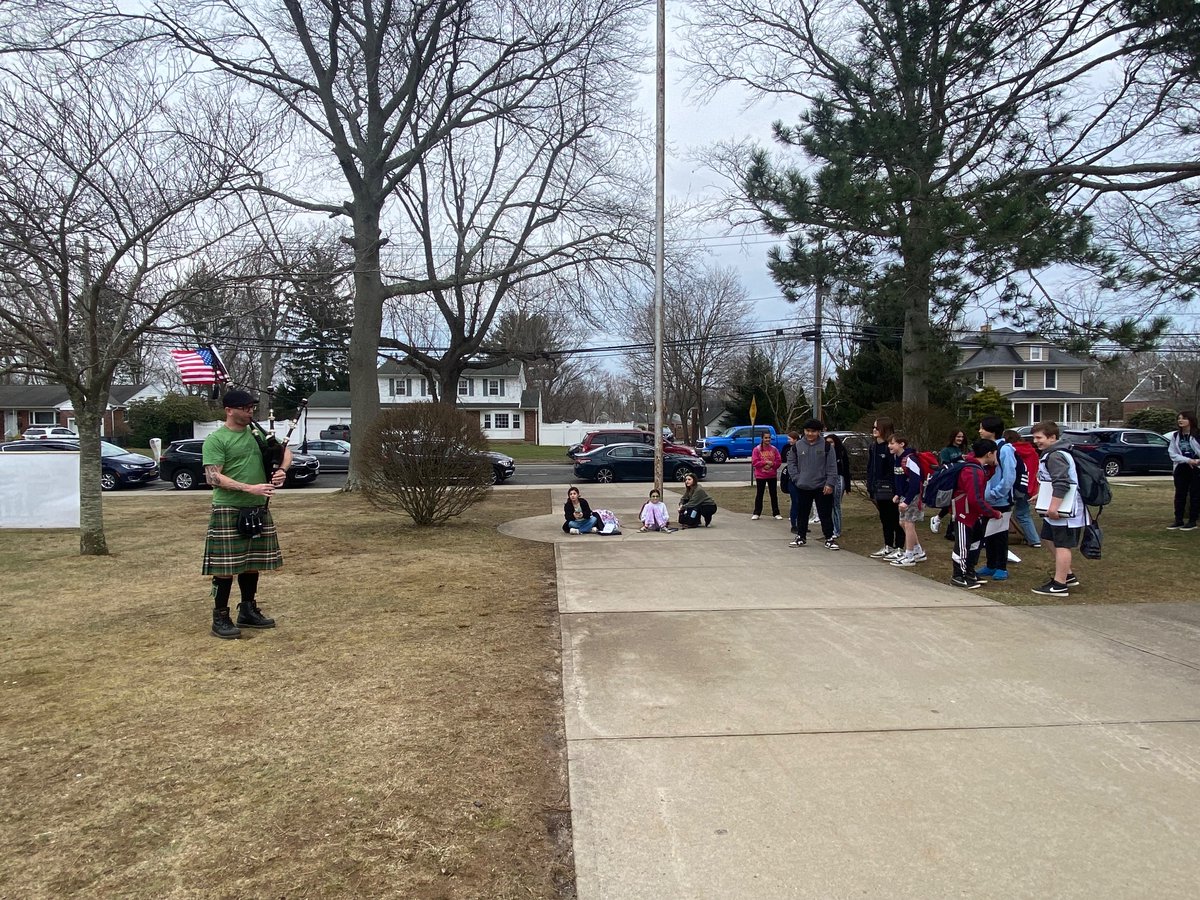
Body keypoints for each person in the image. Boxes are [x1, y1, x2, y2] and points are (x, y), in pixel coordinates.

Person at [201, 389, 292, 640]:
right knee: (225, 567)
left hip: (257, 508)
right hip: (228, 507)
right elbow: (213, 477)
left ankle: (248, 610)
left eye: (252, 407)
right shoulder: (217, 439)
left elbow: (285, 452)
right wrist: (248, 487)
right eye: (245, 408)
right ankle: (220, 616)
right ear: (229, 410)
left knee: (252, 564)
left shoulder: (257, 435)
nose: (250, 411)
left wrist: (282, 470)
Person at [1030, 421, 1086, 596]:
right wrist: (1041, 496)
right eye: (1034, 437)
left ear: (1052, 437)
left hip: (1065, 510)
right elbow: (1051, 481)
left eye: (1039, 437)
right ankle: (1067, 574)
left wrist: (1054, 507)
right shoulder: (1051, 454)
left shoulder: (1056, 456)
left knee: (1062, 544)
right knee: (1048, 537)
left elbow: (1062, 482)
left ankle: (1060, 585)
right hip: (1056, 507)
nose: (1035, 441)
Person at [949, 439, 1002, 589]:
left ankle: (969, 571)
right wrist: (992, 513)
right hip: (964, 512)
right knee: (963, 545)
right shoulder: (973, 471)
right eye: (995, 454)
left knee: (975, 541)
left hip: (972, 513)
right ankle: (958, 575)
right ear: (989, 453)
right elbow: (975, 499)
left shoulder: (977, 468)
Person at [786, 418, 840, 550]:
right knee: (802, 513)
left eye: (813, 431)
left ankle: (829, 538)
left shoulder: (827, 446)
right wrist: (797, 479)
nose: (810, 434)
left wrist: (830, 484)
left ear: (819, 432)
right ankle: (801, 536)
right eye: (807, 431)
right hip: (803, 485)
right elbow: (791, 463)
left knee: (825, 513)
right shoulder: (797, 446)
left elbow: (832, 467)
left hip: (822, 486)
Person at [976, 415, 1016, 581]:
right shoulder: (986, 447)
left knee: (1000, 533)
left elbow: (1009, 475)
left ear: (992, 431)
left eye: (983, 428)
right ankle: (991, 564)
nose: (979, 431)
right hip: (987, 499)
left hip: (1000, 500)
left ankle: (1001, 566)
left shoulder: (1005, 449)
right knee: (988, 533)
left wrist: (997, 493)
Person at [886, 432, 927, 566]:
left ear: (901, 444)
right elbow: (899, 479)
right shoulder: (897, 459)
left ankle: (909, 555)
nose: (889, 446)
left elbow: (915, 482)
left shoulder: (910, 459)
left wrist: (907, 500)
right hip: (904, 495)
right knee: (902, 523)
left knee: (909, 523)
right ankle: (918, 551)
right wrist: (898, 494)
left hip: (913, 496)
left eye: (892, 443)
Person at [866, 417, 903, 558]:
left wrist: (896, 489)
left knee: (896, 518)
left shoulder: (890, 448)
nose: (874, 430)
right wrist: (871, 485)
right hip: (877, 488)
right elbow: (870, 468)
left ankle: (900, 546)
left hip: (891, 489)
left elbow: (894, 469)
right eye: (873, 427)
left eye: (877, 427)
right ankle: (888, 545)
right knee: (885, 518)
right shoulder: (873, 446)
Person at [1004, 428, 1042, 548]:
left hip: (1018, 486)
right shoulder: (1032, 451)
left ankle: (1034, 539)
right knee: (1022, 513)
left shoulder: (1012, 451)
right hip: (1030, 486)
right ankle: (1030, 537)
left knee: (1020, 514)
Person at [930, 429, 968, 535]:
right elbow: (945, 465)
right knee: (950, 501)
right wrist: (959, 458)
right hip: (950, 480)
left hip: (961, 479)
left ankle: (948, 524)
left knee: (957, 501)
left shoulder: (963, 449)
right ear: (953, 437)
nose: (960, 439)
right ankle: (938, 519)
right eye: (958, 437)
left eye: (962, 437)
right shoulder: (946, 450)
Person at [1167, 411, 1200, 531]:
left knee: (1195, 494)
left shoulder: (1197, 434)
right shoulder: (1176, 436)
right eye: (1179, 418)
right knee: (1180, 494)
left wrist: (1196, 461)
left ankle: (1192, 521)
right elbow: (1172, 453)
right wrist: (1187, 460)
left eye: (1184, 418)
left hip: (1196, 468)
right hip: (1182, 466)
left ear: (1190, 420)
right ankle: (1178, 520)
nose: (1180, 420)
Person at [750, 432, 783, 520]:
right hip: (761, 476)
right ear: (762, 438)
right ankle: (757, 512)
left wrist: (772, 464)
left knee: (774, 494)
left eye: (769, 438)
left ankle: (776, 513)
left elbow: (778, 461)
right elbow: (755, 462)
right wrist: (765, 463)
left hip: (772, 475)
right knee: (760, 494)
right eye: (766, 438)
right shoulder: (757, 449)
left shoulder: (774, 449)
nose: (767, 439)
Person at [825, 432, 851, 539]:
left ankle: (837, 529)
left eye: (831, 442)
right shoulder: (824, 453)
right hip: (826, 480)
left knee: (836, 505)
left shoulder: (841, 452)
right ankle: (829, 528)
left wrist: (848, 486)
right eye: (827, 443)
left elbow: (846, 469)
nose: (829, 445)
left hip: (838, 479)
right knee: (828, 506)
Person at [782, 431, 801, 534]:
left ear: (795, 439)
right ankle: (794, 524)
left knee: (803, 503)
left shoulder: (802, 449)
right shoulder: (791, 451)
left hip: (802, 480)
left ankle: (802, 524)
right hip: (793, 481)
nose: (788, 441)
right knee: (795, 502)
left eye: (790, 439)